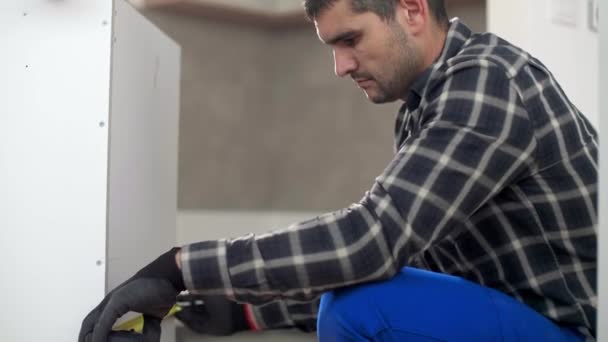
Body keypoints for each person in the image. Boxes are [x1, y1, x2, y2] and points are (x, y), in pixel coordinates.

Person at [79, 0, 598, 341]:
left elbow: (368, 243)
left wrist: (178, 267)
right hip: (520, 319)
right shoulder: (424, 109)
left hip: (572, 329)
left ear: (411, 10)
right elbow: (404, 261)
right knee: (365, 294)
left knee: (363, 307)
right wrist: (246, 313)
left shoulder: (488, 83)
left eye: (350, 39)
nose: (340, 66)